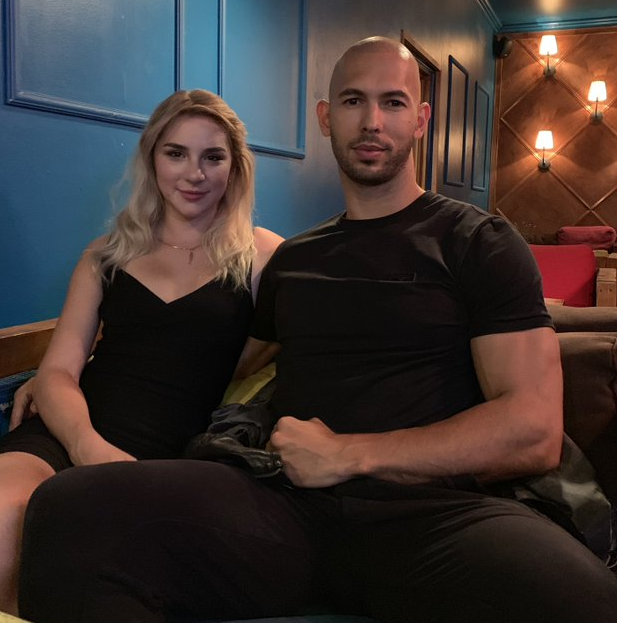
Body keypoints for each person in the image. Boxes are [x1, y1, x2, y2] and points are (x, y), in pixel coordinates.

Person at [18, 37, 617, 623]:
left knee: (583, 599)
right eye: (354, 102)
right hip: (284, 507)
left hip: (436, 513)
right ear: (327, 118)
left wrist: (348, 455)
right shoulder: (296, 260)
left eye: (393, 102)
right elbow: (212, 357)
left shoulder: (477, 242)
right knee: (70, 513)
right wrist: (57, 381)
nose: (372, 121)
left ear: (422, 119)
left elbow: (533, 429)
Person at [0, 89, 282, 615]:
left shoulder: (263, 255)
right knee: (1, 522)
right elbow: (58, 370)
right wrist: (85, 447)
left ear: (236, 166)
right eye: (176, 153)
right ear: (152, 158)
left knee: (89, 563)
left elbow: (306, 337)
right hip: (70, 432)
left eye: (212, 156)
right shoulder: (107, 252)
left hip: (168, 457)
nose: (193, 173)